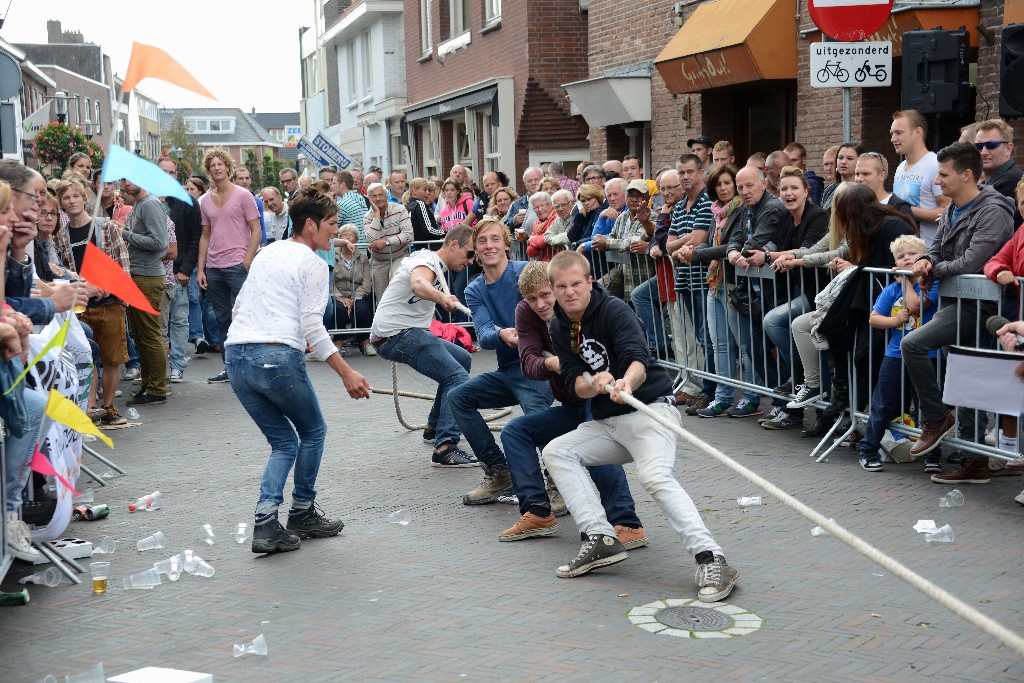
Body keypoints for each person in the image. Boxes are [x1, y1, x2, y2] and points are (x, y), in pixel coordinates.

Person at [541, 250, 739, 601]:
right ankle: (600, 538)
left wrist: (626, 382)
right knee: (558, 451)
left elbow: (638, 358)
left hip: (650, 413)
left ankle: (713, 558)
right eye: (561, 287)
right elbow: (574, 382)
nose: (569, 292)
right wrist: (595, 383)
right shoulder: (559, 326)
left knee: (654, 477)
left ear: (590, 283)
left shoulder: (614, 310)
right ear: (553, 290)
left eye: (576, 284)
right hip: (608, 424)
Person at [224, 187, 371, 554]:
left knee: (284, 442)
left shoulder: (266, 252)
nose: (335, 233)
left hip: (236, 356)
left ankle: (266, 522)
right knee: (313, 430)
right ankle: (302, 512)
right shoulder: (314, 264)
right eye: (332, 225)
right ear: (310, 225)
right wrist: (347, 373)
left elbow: (240, 305)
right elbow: (312, 328)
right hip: (274, 358)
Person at [499, 261, 647, 546]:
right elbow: (528, 363)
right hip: (572, 400)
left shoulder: (594, 309)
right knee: (515, 432)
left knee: (594, 437)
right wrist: (555, 363)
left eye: (545, 295)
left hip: (607, 399)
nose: (541, 304)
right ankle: (537, 512)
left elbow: (635, 353)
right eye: (532, 299)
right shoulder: (526, 313)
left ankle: (627, 523)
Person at [905, 142, 1014, 482]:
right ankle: (974, 461)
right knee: (964, 376)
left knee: (913, 345)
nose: (937, 181)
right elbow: (936, 247)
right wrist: (925, 260)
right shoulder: (953, 206)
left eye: (943, 174)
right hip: (956, 302)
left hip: (979, 308)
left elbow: (973, 262)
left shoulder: (993, 210)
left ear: (967, 175)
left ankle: (937, 418)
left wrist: (933, 270)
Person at [448, 220, 554, 506]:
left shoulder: (525, 272)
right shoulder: (475, 289)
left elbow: (551, 310)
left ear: (506, 244)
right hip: (509, 370)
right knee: (457, 398)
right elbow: (483, 334)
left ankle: (557, 482)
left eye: (495, 239)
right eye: (482, 241)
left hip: (539, 367)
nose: (489, 245)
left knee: (534, 415)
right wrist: (502, 334)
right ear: (475, 250)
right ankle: (499, 471)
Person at [785, 184, 916, 417]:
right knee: (832, 327)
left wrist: (858, 268)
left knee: (844, 332)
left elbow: (904, 266)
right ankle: (843, 393)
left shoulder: (892, 225)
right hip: (873, 299)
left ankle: (849, 400)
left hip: (892, 302)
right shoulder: (869, 228)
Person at [369, 225, 477, 465]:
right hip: (396, 335)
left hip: (402, 333)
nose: (471, 261)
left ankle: (434, 426)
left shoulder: (436, 268)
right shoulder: (425, 261)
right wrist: (441, 298)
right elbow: (418, 284)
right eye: (470, 254)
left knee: (463, 359)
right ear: (453, 245)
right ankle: (445, 446)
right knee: (457, 377)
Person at [859, 235, 940, 471]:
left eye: (912, 254)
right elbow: (874, 318)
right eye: (900, 256)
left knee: (927, 406)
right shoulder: (892, 288)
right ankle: (868, 449)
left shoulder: (931, 283)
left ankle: (932, 455)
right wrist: (894, 319)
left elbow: (917, 305)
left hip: (929, 355)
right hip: (895, 354)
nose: (906, 259)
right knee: (883, 403)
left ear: (923, 258)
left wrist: (906, 282)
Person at [758, 167, 830, 429]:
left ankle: (802, 379)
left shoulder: (818, 215)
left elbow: (808, 250)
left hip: (819, 294)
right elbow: (777, 245)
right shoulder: (787, 219)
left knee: (775, 321)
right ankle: (798, 377)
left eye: (794, 188)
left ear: (806, 192)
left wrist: (769, 257)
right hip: (799, 291)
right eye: (784, 189)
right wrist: (765, 250)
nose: (789, 194)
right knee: (776, 323)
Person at [197, 148, 262, 383]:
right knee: (222, 319)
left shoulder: (244, 195)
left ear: (227, 167)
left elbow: (256, 230)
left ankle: (254, 365)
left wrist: (246, 261)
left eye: (220, 164)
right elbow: (205, 235)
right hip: (214, 268)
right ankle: (229, 367)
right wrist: (201, 269)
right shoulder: (204, 201)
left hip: (237, 265)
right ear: (208, 170)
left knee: (248, 314)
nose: (216, 168)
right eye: (212, 165)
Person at [119, 178, 170, 406]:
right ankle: (149, 384)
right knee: (140, 334)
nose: (125, 186)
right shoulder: (140, 204)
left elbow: (160, 243)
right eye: (122, 182)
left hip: (148, 277)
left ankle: (157, 388)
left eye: (128, 181)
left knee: (149, 334)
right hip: (139, 275)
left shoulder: (149, 204)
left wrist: (126, 234)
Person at [158, 158, 201, 384]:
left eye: (171, 172)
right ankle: (158, 368)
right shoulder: (148, 200)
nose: (167, 176)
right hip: (153, 271)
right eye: (162, 171)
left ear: (176, 175)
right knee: (158, 324)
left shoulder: (189, 202)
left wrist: (186, 269)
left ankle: (177, 365)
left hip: (179, 271)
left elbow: (196, 238)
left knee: (179, 320)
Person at [891, 110, 949, 245]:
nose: (893, 139)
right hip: (903, 251)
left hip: (929, 251)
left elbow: (948, 212)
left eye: (899, 133)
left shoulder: (935, 165)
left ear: (918, 132)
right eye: (892, 134)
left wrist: (904, 210)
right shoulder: (900, 168)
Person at [328, 224, 375, 355]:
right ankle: (338, 343)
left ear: (356, 240)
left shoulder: (363, 258)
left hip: (357, 294)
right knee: (338, 309)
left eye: (351, 235)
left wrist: (354, 298)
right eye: (345, 235)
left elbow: (366, 282)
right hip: (338, 293)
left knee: (362, 309)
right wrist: (339, 297)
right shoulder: (333, 256)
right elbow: (330, 279)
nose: (348, 238)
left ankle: (365, 342)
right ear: (340, 238)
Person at [363, 182, 412, 303]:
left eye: (381, 195)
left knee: (397, 287)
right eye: (374, 196)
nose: (378, 198)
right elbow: (370, 239)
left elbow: (409, 235)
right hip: (378, 261)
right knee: (382, 299)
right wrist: (376, 216)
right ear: (369, 198)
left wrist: (386, 242)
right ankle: (386, 322)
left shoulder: (400, 210)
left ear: (386, 196)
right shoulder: (368, 217)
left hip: (399, 257)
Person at [854, 152, 915, 224]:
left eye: (866, 174)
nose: (859, 179)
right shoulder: (854, 205)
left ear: (882, 176)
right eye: (857, 174)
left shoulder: (899, 208)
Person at [821, 141, 864, 212]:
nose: (843, 162)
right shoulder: (829, 190)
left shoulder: (864, 192)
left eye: (849, 158)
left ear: (860, 161)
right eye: (840, 158)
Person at [405, 177, 444, 245]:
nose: (428, 193)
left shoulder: (409, 205)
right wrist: (448, 233)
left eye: (428, 190)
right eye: (425, 190)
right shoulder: (420, 204)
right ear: (414, 191)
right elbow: (429, 231)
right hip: (427, 247)